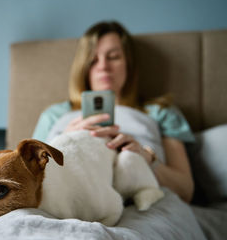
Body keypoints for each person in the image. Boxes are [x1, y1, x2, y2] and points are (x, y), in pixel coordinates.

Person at [32, 21, 195, 203]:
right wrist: (63, 143)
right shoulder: (54, 116)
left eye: (114, 56)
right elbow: (28, 178)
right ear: (83, 68)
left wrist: (147, 159)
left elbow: (185, 191)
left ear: (129, 64)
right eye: (93, 60)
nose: (103, 66)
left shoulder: (161, 112)